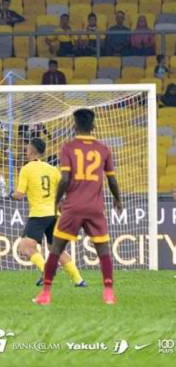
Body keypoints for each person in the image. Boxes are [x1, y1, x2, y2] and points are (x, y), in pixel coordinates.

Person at [34, 109, 122, 305]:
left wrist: (57, 200)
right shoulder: (103, 149)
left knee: (56, 249)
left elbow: (65, 178)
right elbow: (112, 180)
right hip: (95, 207)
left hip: (73, 206)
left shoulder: (68, 148)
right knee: (103, 250)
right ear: (93, 126)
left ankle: (46, 293)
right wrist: (118, 199)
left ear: (74, 126)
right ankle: (108, 292)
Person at [12, 138, 86, 287]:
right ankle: (79, 280)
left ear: (31, 151)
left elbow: (19, 195)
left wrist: (9, 194)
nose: (25, 151)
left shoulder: (27, 169)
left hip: (39, 214)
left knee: (25, 246)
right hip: (54, 215)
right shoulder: (53, 170)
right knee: (56, 249)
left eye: (27, 148)